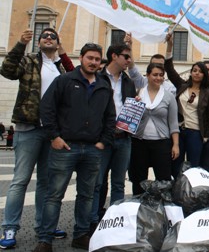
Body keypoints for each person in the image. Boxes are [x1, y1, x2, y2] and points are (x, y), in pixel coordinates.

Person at [33, 43, 115, 252]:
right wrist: (54, 136)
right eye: (90, 58)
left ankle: (81, 235)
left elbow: (110, 117)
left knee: (87, 195)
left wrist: (103, 141)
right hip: (65, 147)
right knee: (54, 195)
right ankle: (45, 239)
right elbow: (46, 107)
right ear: (81, 58)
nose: (94, 62)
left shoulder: (104, 85)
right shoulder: (65, 80)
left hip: (92, 149)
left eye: (97, 59)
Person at [0, 28, 73, 249]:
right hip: (29, 126)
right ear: (38, 42)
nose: (48, 38)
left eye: (53, 36)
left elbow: (74, 77)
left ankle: (44, 226)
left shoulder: (59, 66)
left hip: (52, 131)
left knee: (45, 182)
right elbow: (7, 70)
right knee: (20, 180)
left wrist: (63, 53)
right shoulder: (29, 61)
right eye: (45, 36)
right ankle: (10, 226)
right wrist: (20, 44)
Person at [89, 44, 137, 233]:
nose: (129, 60)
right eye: (126, 57)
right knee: (97, 182)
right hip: (102, 138)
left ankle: (115, 222)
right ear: (114, 56)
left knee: (119, 183)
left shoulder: (128, 82)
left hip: (123, 137)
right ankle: (92, 221)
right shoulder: (97, 78)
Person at [164, 33, 209, 178]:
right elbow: (169, 69)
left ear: (204, 75)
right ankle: (176, 190)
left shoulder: (207, 93)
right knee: (176, 164)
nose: (197, 74)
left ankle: (190, 193)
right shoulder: (182, 86)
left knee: (194, 166)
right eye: (194, 71)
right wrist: (170, 46)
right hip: (179, 131)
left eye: (200, 72)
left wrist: (206, 135)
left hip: (195, 133)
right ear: (191, 73)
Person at [129, 63, 180, 195]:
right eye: (155, 75)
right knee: (138, 178)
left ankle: (163, 208)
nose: (158, 78)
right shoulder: (139, 92)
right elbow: (131, 118)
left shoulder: (169, 96)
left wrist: (175, 144)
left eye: (161, 75)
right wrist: (135, 105)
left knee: (163, 179)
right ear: (147, 75)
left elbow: (173, 123)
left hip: (161, 142)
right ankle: (138, 206)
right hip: (139, 141)